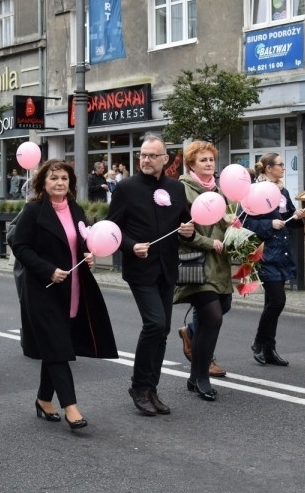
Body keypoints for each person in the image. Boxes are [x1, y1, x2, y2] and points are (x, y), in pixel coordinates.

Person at [10, 159, 117, 430]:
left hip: (73, 288)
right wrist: (48, 270)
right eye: (54, 178)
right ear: (43, 183)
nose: (59, 183)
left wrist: (88, 255)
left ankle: (44, 400)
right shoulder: (33, 210)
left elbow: (80, 241)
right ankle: (71, 407)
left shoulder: (75, 209)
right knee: (59, 347)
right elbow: (19, 246)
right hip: (43, 290)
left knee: (55, 346)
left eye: (64, 179)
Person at [107, 134, 194, 416]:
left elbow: (186, 223)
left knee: (164, 330)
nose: (145, 160)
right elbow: (111, 230)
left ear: (165, 159)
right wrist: (132, 246)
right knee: (154, 324)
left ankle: (151, 389)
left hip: (167, 267)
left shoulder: (176, 188)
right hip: (140, 269)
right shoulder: (126, 188)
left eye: (152, 155)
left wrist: (189, 231)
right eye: (143, 155)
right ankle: (138, 386)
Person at [175, 142, 233, 399]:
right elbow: (181, 231)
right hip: (196, 262)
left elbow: (227, 222)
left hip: (220, 264)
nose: (209, 164)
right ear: (191, 165)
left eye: (211, 159)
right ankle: (201, 377)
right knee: (213, 317)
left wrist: (237, 232)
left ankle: (193, 371)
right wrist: (209, 242)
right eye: (203, 160)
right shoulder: (183, 190)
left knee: (222, 308)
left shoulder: (221, 191)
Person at [242, 152, 305, 367]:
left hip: (282, 252)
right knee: (277, 300)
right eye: (280, 165)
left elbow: (286, 217)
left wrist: (295, 217)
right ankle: (259, 342)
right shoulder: (254, 191)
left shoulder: (283, 190)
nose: (283, 169)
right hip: (264, 252)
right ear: (269, 168)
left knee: (272, 302)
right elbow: (246, 224)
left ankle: (269, 349)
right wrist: (269, 225)